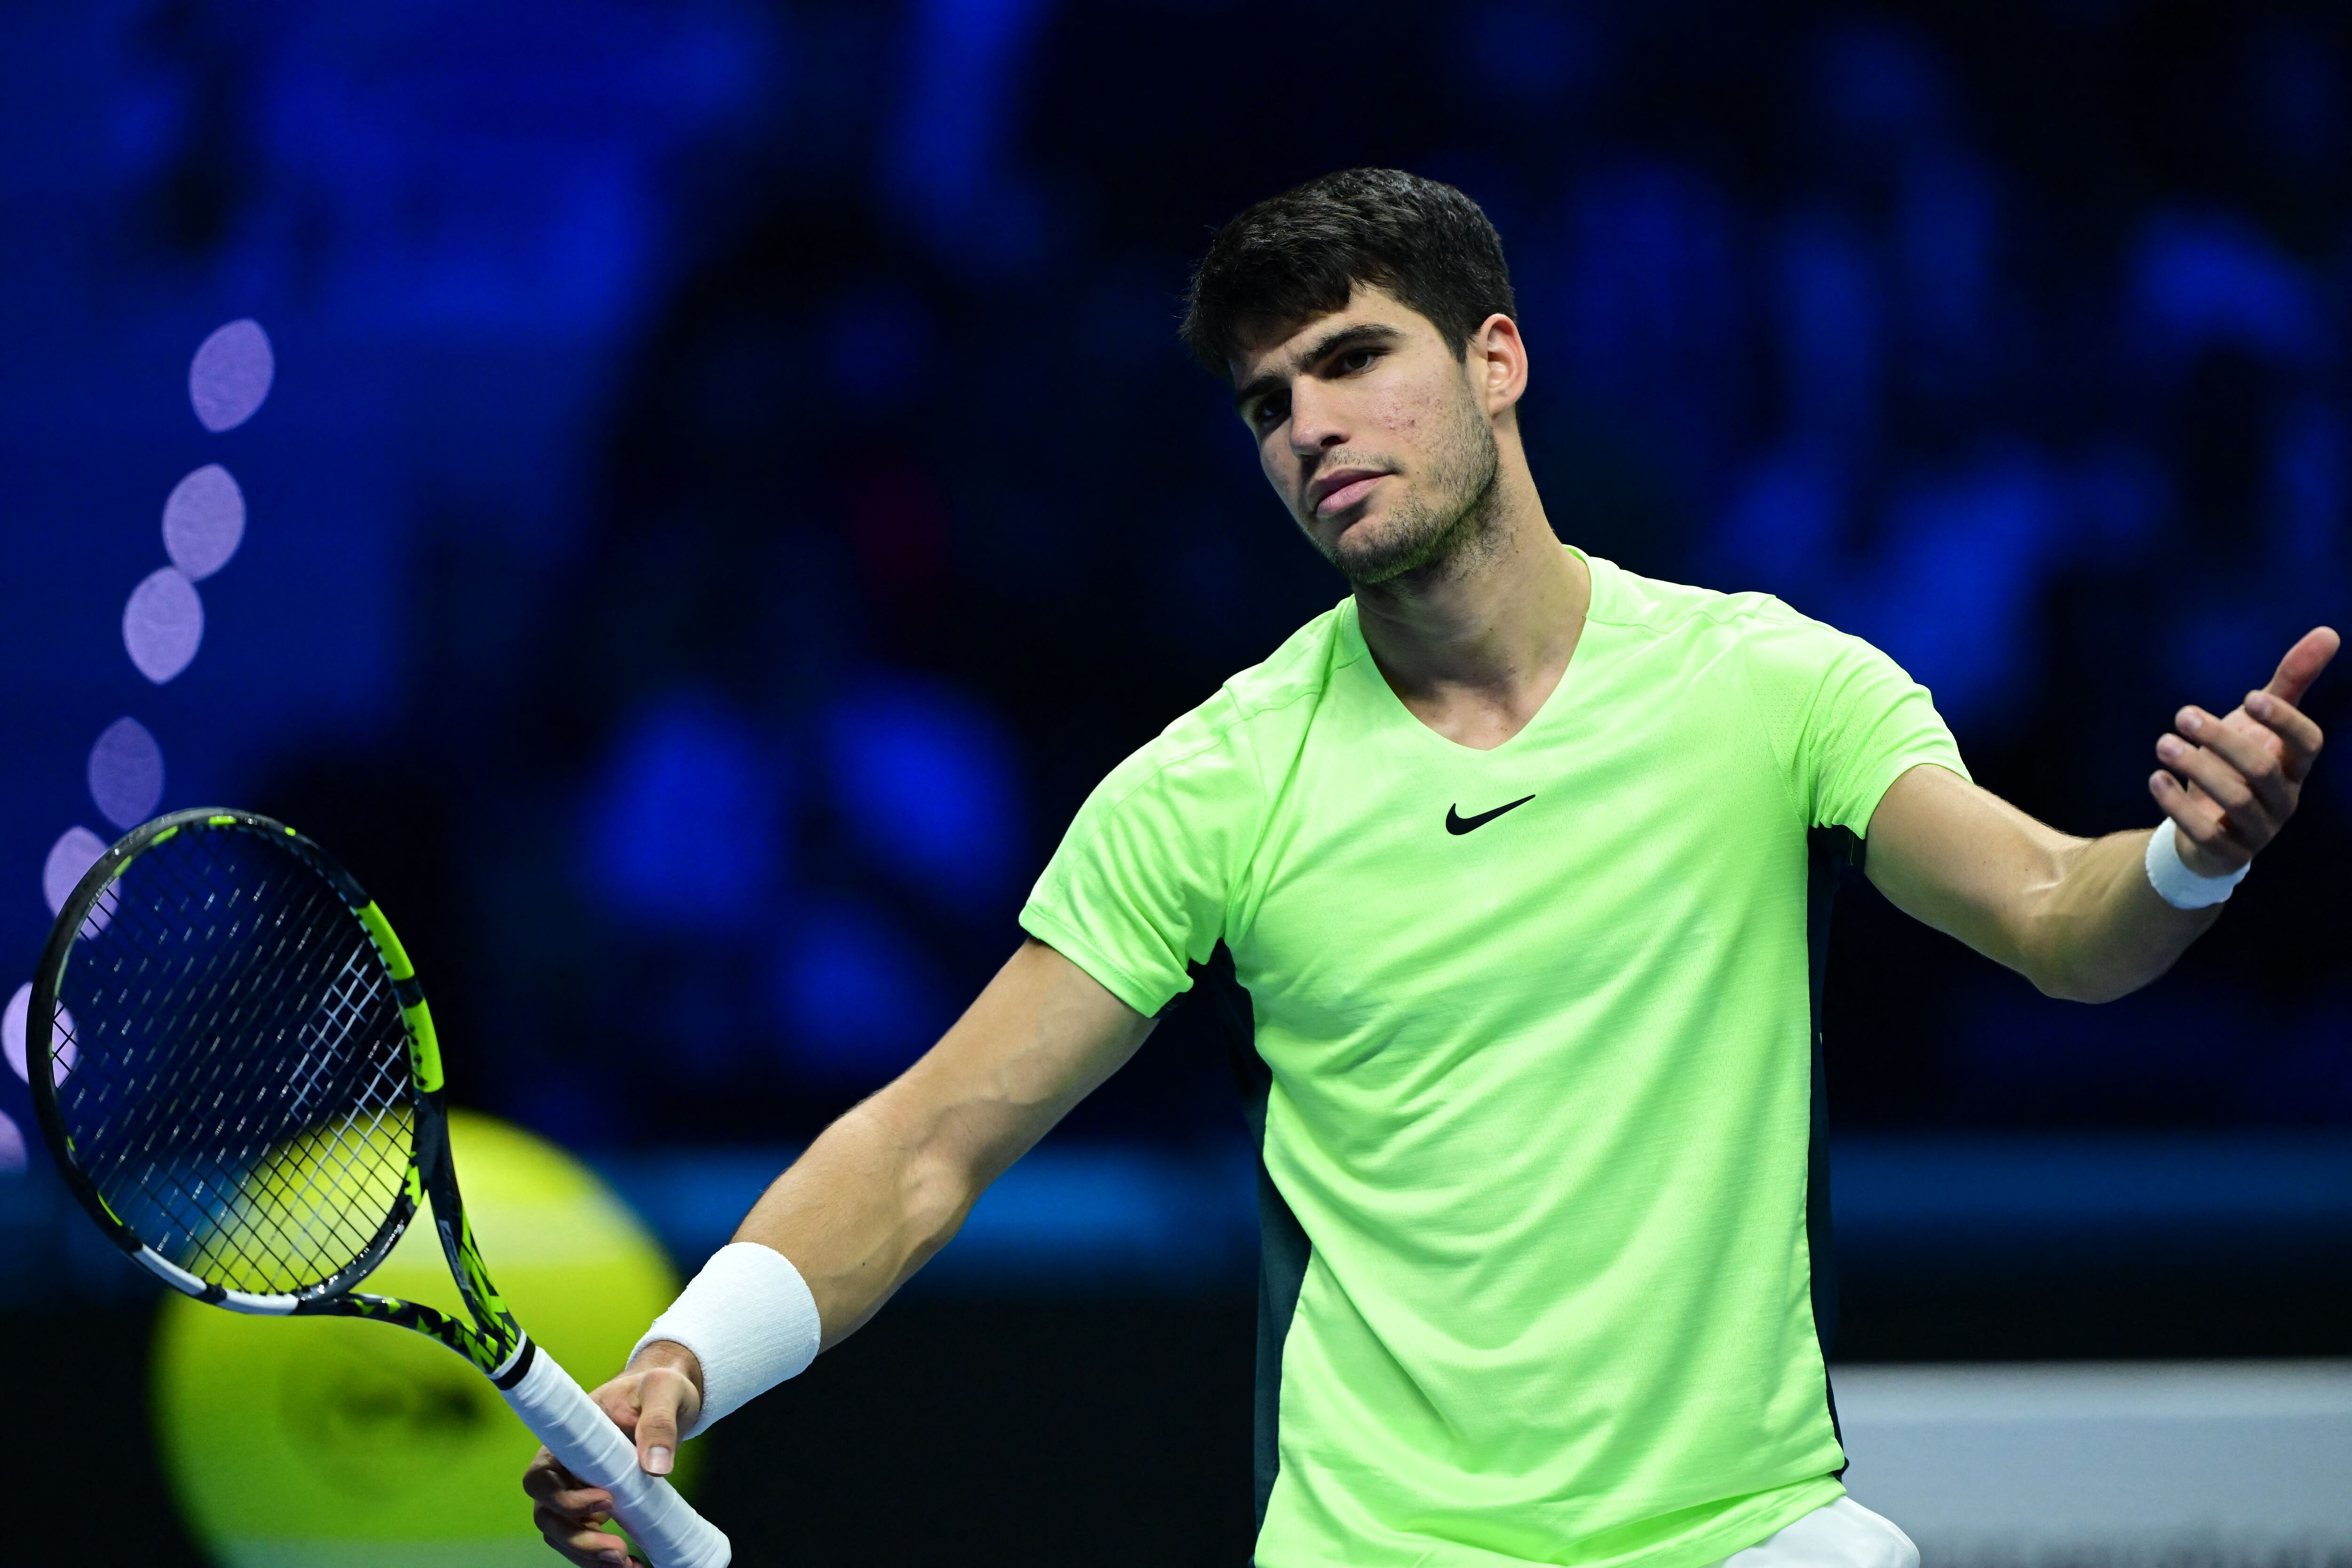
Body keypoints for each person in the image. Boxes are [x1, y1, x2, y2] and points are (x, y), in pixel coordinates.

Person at [525, 168, 2336, 1568]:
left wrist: (2181, 866)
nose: (1309, 425)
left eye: (1353, 358)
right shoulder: (1212, 786)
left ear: (1496, 359)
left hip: (1746, 1539)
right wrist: (682, 1369)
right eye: (1266, 403)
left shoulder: (1769, 686)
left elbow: (2052, 919)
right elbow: (927, 1144)